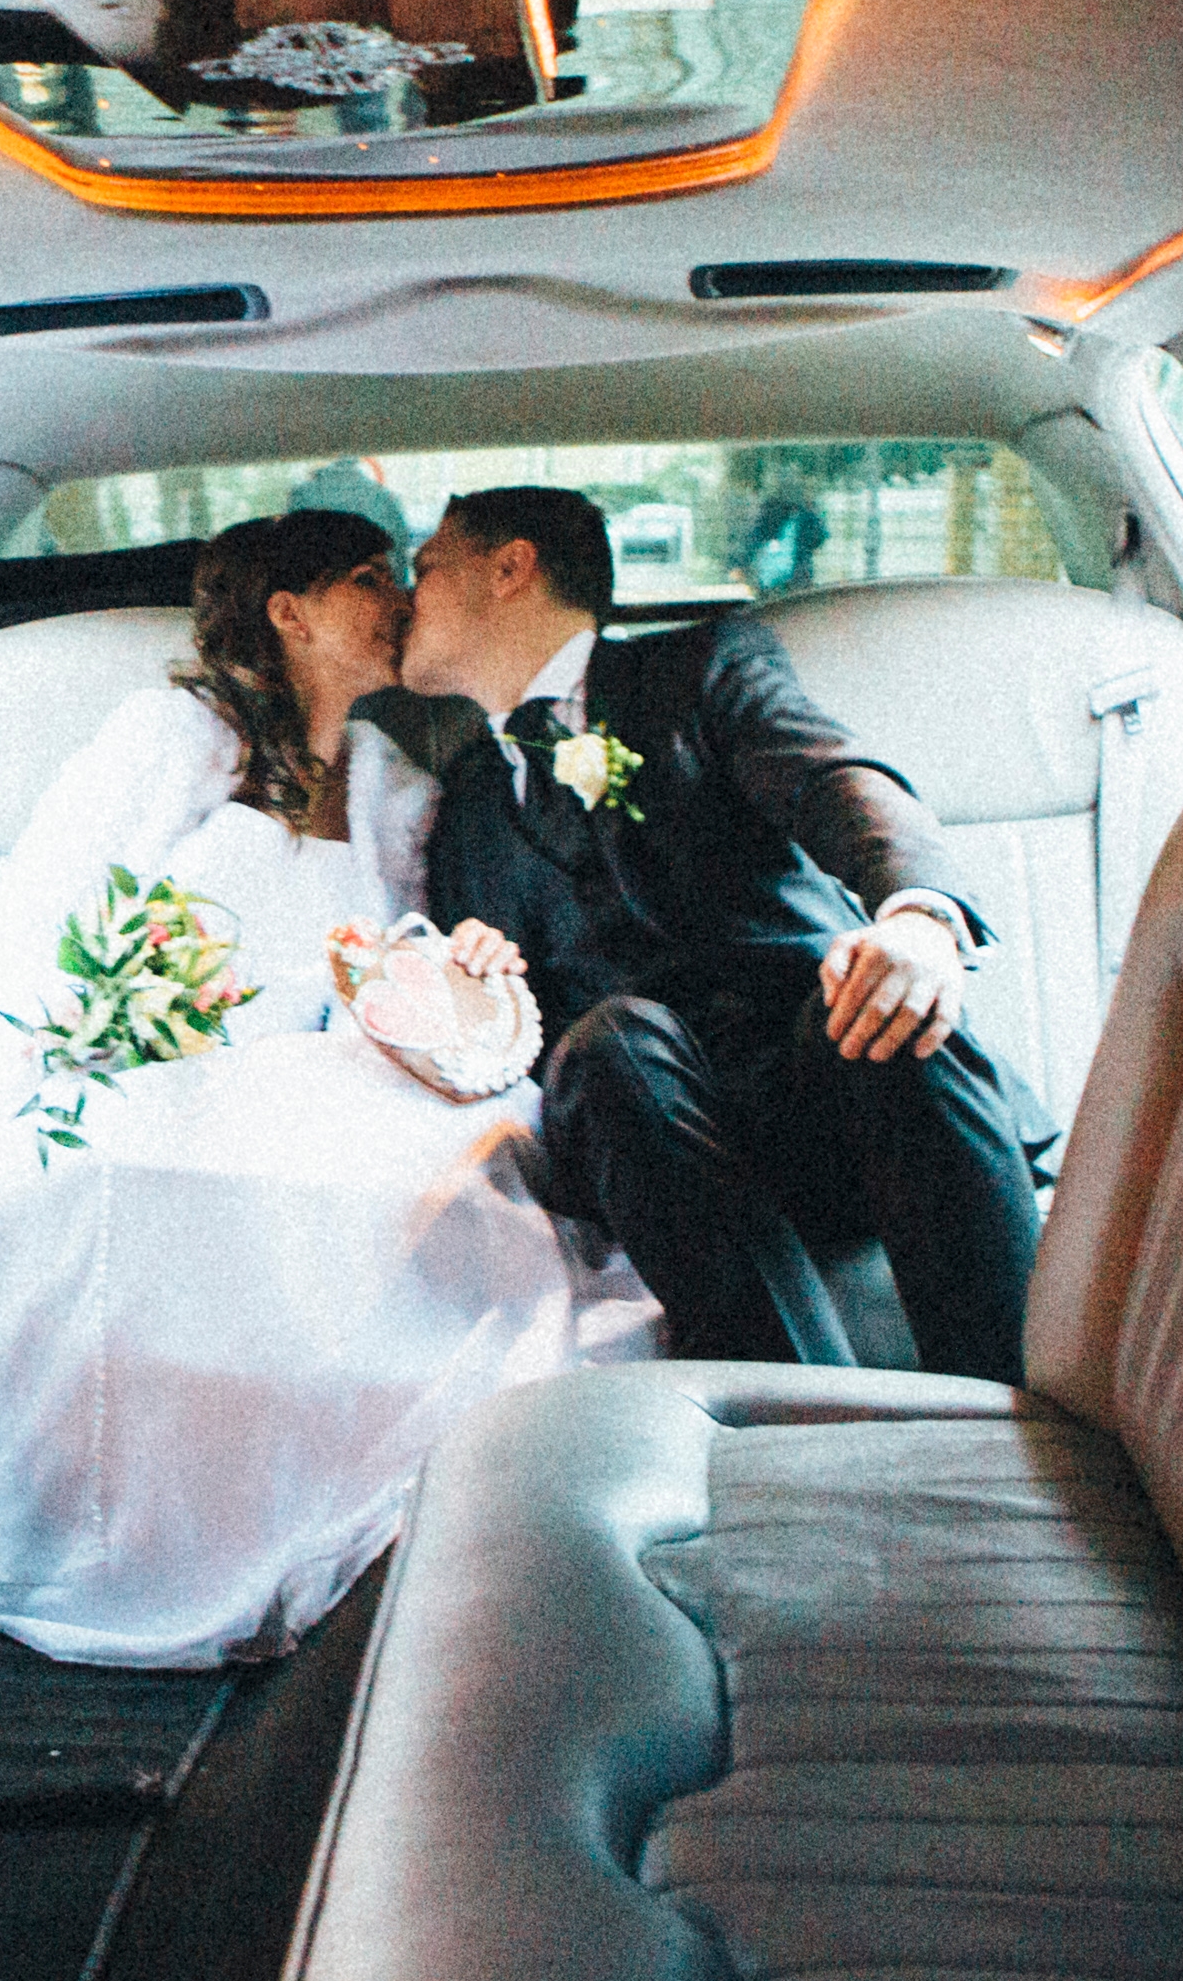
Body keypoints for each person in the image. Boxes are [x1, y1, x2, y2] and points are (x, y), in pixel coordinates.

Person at [0, 510, 652, 1668]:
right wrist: (124, 1011)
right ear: (291, 610)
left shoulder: (397, 786)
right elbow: (22, 953)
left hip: (326, 1080)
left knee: (459, 1194)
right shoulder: (172, 736)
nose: (400, 599)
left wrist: (459, 980)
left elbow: (394, 972)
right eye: (372, 577)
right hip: (134, 1060)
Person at [376, 486, 1050, 1376]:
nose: (404, 598)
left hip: (822, 1083)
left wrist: (919, 918)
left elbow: (838, 783)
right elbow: (502, 1037)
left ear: (510, 569)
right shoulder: (462, 804)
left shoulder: (699, 671)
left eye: (423, 568)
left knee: (882, 996)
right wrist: (477, 988)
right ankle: (796, 1422)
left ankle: (1024, 1410)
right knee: (615, 1044)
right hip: (640, 1133)